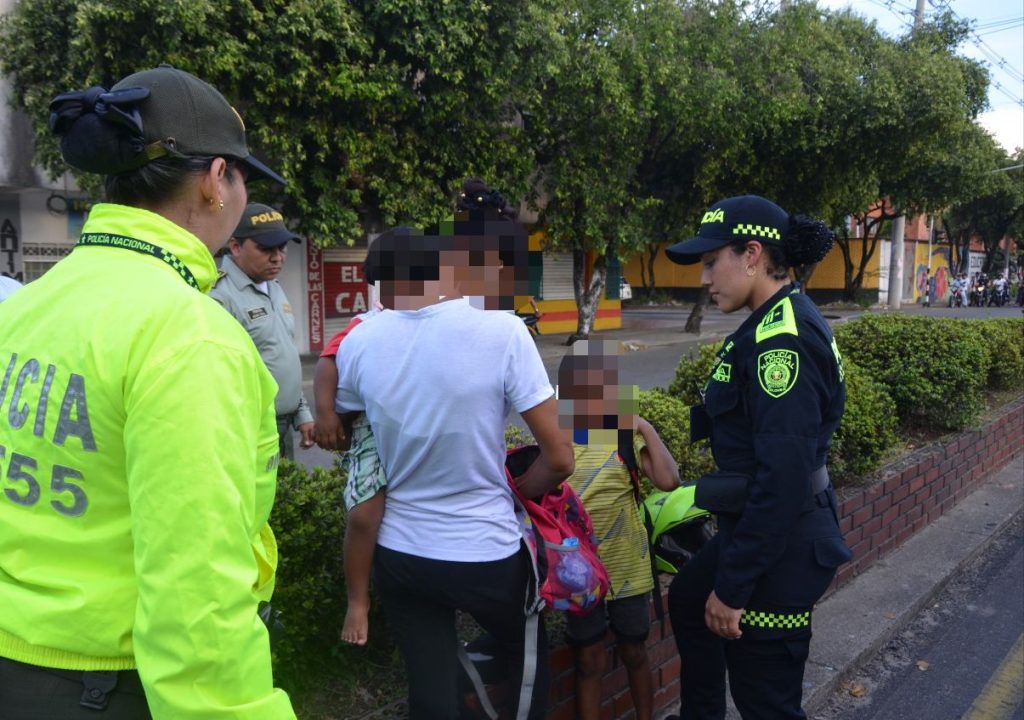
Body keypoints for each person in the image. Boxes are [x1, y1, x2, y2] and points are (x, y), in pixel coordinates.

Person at [0, 66, 296, 718]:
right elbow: (197, 607)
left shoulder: (26, 308)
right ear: (217, 181)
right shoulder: (189, 338)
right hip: (109, 688)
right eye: (243, 178)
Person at [335, 219, 574, 720]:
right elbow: (559, 459)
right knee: (525, 654)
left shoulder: (357, 343)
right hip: (487, 551)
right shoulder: (503, 330)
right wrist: (519, 493)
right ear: (442, 271)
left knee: (431, 690)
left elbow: (351, 431)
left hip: (401, 556)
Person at [663, 195, 852, 720]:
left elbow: (783, 478)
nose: (704, 278)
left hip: (781, 547)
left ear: (751, 254)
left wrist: (733, 586)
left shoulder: (781, 343)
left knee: (766, 702)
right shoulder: (769, 322)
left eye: (709, 261)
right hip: (761, 529)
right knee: (687, 598)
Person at [558, 340, 680, 720]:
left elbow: (669, 480)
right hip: (578, 572)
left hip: (628, 567)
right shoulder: (557, 435)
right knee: (589, 660)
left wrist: (642, 424)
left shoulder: (625, 433)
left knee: (634, 651)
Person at [210, 203, 314, 459]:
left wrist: (301, 412)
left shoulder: (273, 287)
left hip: (284, 424)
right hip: (250, 428)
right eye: (266, 248)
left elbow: (281, 353)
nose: (277, 257)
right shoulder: (219, 296)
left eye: (282, 247)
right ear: (235, 247)